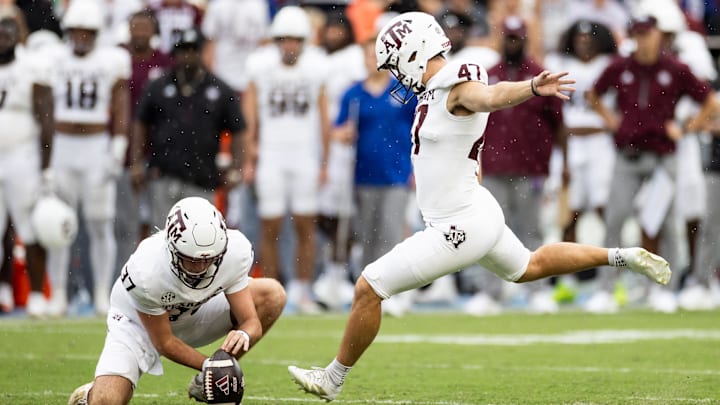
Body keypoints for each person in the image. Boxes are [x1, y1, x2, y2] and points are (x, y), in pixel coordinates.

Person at [287, 12, 672, 401]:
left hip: (458, 225)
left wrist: (531, 88)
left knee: (369, 287)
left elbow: (488, 97)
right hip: (475, 210)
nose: (395, 76)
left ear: (412, 54)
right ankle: (621, 256)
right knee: (528, 266)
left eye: (395, 65)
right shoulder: (436, 89)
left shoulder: (457, 86)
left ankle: (333, 378)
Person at [67, 197, 286, 405]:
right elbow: (164, 343)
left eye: (209, 259)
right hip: (139, 326)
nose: (201, 268)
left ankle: (206, 381)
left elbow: (251, 321)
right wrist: (211, 367)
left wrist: (244, 334)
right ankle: (89, 394)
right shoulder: (146, 270)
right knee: (106, 401)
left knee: (273, 295)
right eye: (191, 260)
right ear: (172, 247)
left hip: (197, 311)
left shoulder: (234, 251)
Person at [586, 14, 717, 313]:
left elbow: (709, 102)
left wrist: (687, 128)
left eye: (647, 33)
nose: (643, 39)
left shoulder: (675, 69)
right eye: (638, 34)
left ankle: (665, 290)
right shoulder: (621, 67)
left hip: (662, 156)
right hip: (627, 155)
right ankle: (606, 289)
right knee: (615, 219)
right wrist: (611, 121)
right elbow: (593, 94)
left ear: (659, 35)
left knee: (668, 223)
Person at [44, 0, 131, 318]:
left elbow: (121, 103)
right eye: (76, 31)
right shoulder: (53, 58)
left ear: (96, 33)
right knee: (59, 225)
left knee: (99, 222)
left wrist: (118, 148)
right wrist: (47, 160)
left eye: (87, 32)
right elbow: (47, 110)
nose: (81, 37)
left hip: (96, 145)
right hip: (64, 147)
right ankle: (60, 295)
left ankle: (100, 294)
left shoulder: (112, 60)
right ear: (68, 31)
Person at [243, 6, 330, 313]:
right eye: (285, 39)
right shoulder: (260, 67)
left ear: (304, 41)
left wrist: (324, 161)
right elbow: (250, 114)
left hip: (304, 154)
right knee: (270, 225)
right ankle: (271, 289)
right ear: (276, 40)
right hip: (272, 154)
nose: (290, 45)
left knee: (306, 224)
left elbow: (324, 117)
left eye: (295, 39)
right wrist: (249, 156)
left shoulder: (317, 67)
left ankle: (302, 289)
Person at [130, 26, 245, 230]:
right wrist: (137, 161)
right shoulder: (158, 85)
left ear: (201, 52)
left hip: (201, 178)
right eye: (183, 50)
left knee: (198, 239)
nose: (188, 56)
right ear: (175, 53)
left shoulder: (219, 89)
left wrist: (236, 168)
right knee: (161, 238)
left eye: (193, 50)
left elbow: (238, 128)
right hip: (162, 174)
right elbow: (140, 122)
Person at [0, 17, 54, 317]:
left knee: (30, 227)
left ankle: (36, 294)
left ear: (18, 37)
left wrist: (46, 167)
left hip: (22, 156)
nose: (3, 39)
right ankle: (3, 289)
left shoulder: (32, 67)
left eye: (8, 34)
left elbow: (46, 119)